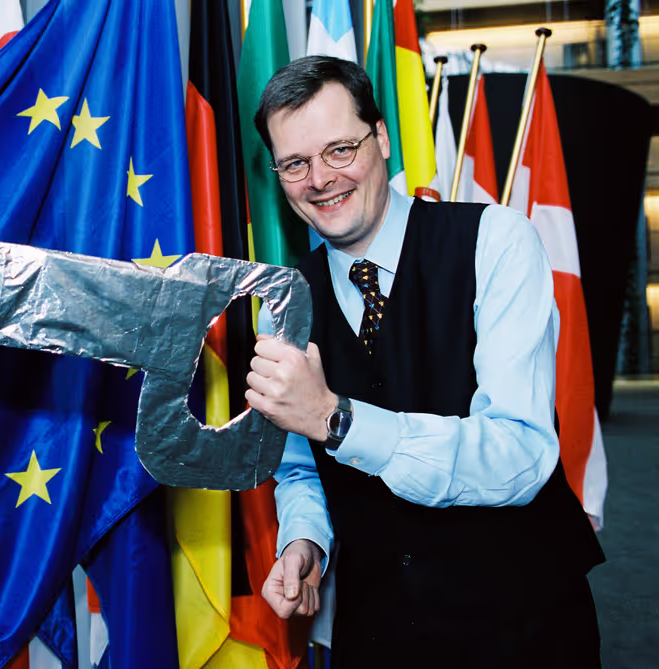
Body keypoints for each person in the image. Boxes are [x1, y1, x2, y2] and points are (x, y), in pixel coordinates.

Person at [245, 56, 604, 667]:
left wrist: (340, 419)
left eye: (339, 149)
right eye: (296, 163)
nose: (321, 178)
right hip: (377, 629)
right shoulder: (281, 304)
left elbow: (520, 454)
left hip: (523, 625)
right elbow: (301, 469)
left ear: (382, 139)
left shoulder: (496, 241)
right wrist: (305, 541)